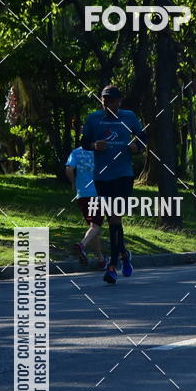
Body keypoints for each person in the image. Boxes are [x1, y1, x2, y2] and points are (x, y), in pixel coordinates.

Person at [81, 85, 145, 284]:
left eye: (113, 101)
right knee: (113, 221)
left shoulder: (129, 117)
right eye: (105, 101)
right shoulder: (93, 119)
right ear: (101, 101)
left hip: (123, 176)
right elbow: (84, 142)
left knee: (115, 219)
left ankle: (112, 267)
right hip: (102, 177)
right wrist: (93, 145)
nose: (109, 104)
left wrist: (137, 147)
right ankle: (124, 255)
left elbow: (143, 138)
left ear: (119, 102)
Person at [65, 145, 107, 269]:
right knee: (95, 227)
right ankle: (82, 245)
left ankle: (101, 259)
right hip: (97, 194)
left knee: (93, 228)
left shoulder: (76, 152)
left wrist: (73, 183)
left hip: (82, 195)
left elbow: (68, 169)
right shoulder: (101, 151)